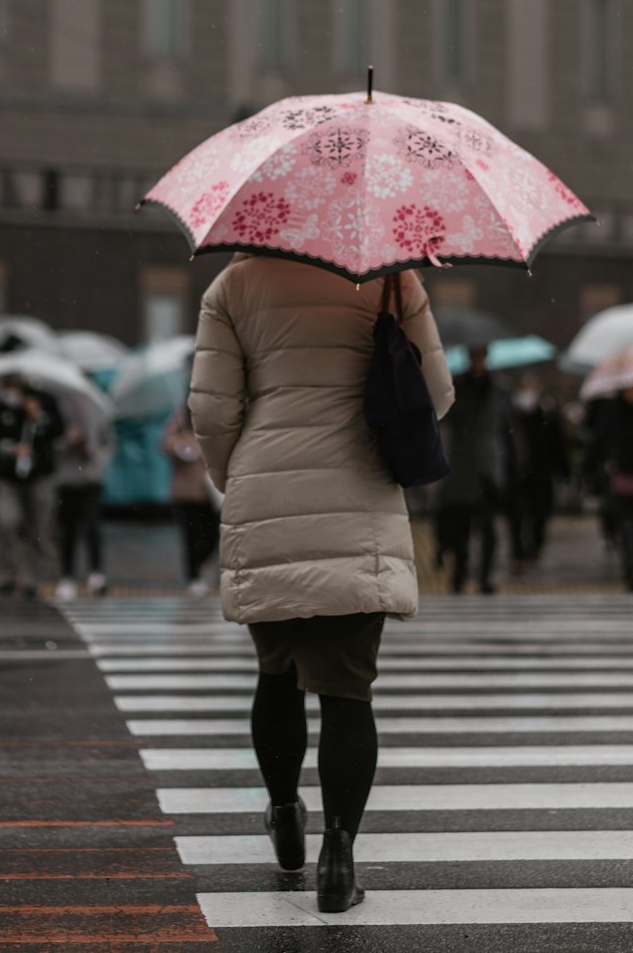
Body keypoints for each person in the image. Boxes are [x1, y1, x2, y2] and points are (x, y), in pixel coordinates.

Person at [188, 256, 452, 915]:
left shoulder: (233, 284)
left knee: (275, 672)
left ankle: (282, 814)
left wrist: (240, 475)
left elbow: (212, 411)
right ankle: (338, 859)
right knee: (345, 688)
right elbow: (436, 393)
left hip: (264, 490)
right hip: (357, 492)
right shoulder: (393, 279)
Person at [436, 344, 514, 595]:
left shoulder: (499, 389)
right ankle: (459, 575)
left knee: (488, 528)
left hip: (489, 468)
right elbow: (444, 418)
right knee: (462, 528)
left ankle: (484, 577)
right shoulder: (456, 387)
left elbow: (506, 428)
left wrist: (508, 465)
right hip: (462, 467)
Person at [0, 378, 64, 597]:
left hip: (39, 476)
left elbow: (57, 431)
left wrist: (38, 418)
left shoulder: (45, 402)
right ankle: (9, 572)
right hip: (9, 478)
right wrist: (11, 449)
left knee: (39, 526)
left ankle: (37, 576)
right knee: (7, 522)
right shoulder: (1, 407)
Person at [593, 385, 633, 592]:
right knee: (626, 524)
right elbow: (599, 441)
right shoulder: (612, 413)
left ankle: (632, 562)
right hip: (619, 476)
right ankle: (630, 568)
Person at [162, 401, 220, 596]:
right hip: (184, 493)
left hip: (208, 492)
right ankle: (193, 576)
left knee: (211, 534)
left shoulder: (211, 421)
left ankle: (203, 565)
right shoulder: (179, 421)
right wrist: (181, 444)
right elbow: (166, 444)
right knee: (190, 536)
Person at [509, 374, 569, 563]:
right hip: (517, 475)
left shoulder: (547, 416)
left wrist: (563, 471)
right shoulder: (512, 416)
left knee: (540, 515)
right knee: (517, 516)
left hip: (541, 474)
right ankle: (519, 552)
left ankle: (534, 548)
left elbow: (557, 446)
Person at [54, 403, 111, 601]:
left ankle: (96, 573)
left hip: (90, 479)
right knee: (68, 530)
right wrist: (67, 441)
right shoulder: (59, 411)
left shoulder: (98, 412)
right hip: (67, 480)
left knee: (92, 526)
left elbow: (107, 445)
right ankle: (67, 576)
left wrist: (91, 449)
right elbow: (51, 444)